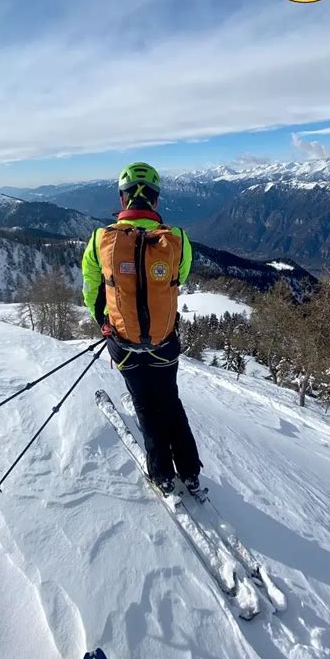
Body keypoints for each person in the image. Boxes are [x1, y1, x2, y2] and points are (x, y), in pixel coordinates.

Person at [82, 162, 202, 496]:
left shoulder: (100, 240)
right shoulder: (177, 239)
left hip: (123, 343)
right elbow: (181, 277)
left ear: (123, 200)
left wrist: (105, 322)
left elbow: (91, 290)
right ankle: (190, 470)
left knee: (145, 403)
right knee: (169, 399)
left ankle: (161, 473)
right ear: (156, 200)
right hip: (164, 344)